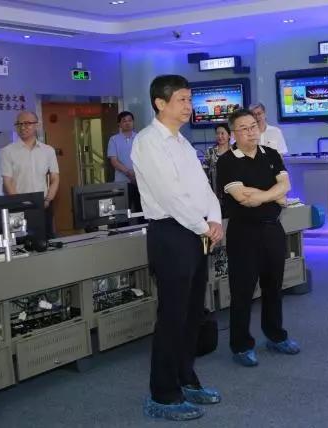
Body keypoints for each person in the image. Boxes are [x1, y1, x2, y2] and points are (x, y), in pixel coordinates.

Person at [131, 75, 223, 422]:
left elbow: (203, 188)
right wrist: (205, 226)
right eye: (182, 100)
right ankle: (163, 393)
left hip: (196, 231)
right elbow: (171, 196)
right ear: (160, 103)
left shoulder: (182, 142)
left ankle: (186, 378)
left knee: (192, 313)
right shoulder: (148, 142)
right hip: (171, 233)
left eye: (189, 99)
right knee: (172, 316)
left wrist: (215, 219)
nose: (189, 106)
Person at [216, 109, 299, 368]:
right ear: (233, 134)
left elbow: (286, 186)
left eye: (253, 126)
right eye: (244, 128)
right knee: (242, 291)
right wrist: (275, 196)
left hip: (273, 229)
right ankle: (241, 345)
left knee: (274, 286)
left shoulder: (271, 154)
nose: (251, 132)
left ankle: (276, 335)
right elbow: (242, 197)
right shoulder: (227, 161)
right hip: (243, 232)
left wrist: (262, 196)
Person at [0, 111, 60, 239]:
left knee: (46, 241)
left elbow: (55, 178)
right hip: (18, 208)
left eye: (27, 123)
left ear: (37, 125)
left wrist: (48, 200)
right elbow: (7, 181)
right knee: (21, 244)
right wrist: (19, 204)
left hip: (43, 205)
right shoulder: (7, 151)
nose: (22, 127)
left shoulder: (48, 150)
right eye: (19, 124)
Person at [107, 111, 141, 214]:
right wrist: (129, 172)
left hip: (140, 181)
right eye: (124, 121)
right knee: (122, 213)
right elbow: (114, 161)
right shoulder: (114, 139)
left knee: (141, 212)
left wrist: (136, 175)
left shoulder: (140, 138)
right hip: (121, 182)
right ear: (119, 124)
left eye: (130, 120)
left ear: (133, 122)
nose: (127, 123)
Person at [203, 123, 231, 201]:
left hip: (232, 191)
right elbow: (204, 171)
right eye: (217, 133)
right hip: (214, 192)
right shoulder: (210, 151)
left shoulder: (235, 150)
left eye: (222, 133)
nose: (219, 136)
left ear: (229, 135)